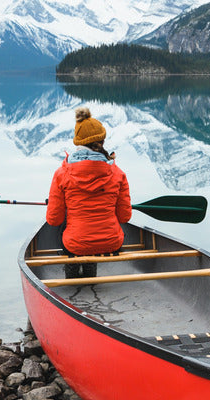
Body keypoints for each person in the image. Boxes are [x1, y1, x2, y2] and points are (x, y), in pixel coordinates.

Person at [46, 107, 131, 279]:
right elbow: (124, 217)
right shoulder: (118, 174)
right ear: (102, 140)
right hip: (112, 242)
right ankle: (91, 278)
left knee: (66, 229)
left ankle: (72, 279)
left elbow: (53, 219)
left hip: (75, 244)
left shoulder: (61, 174)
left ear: (78, 142)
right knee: (92, 235)